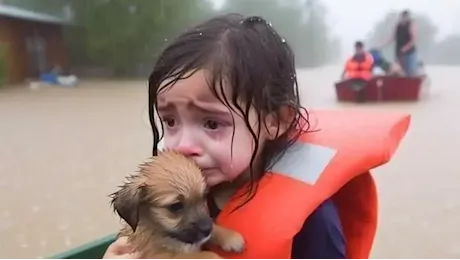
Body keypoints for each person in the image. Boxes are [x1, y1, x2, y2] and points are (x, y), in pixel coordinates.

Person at [103, 14, 409, 260]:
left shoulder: (314, 224)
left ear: (276, 120)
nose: (182, 145)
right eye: (169, 121)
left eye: (211, 123)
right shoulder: (174, 190)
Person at [381, 10, 417, 76]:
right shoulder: (398, 26)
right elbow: (392, 37)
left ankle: (410, 83)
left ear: (408, 17)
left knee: (409, 72)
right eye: (403, 17)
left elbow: (413, 40)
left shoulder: (411, 25)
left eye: (406, 17)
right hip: (399, 52)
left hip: (409, 53)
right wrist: (383, 45)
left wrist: (405, 48)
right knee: (398, 71)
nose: (404, 18)